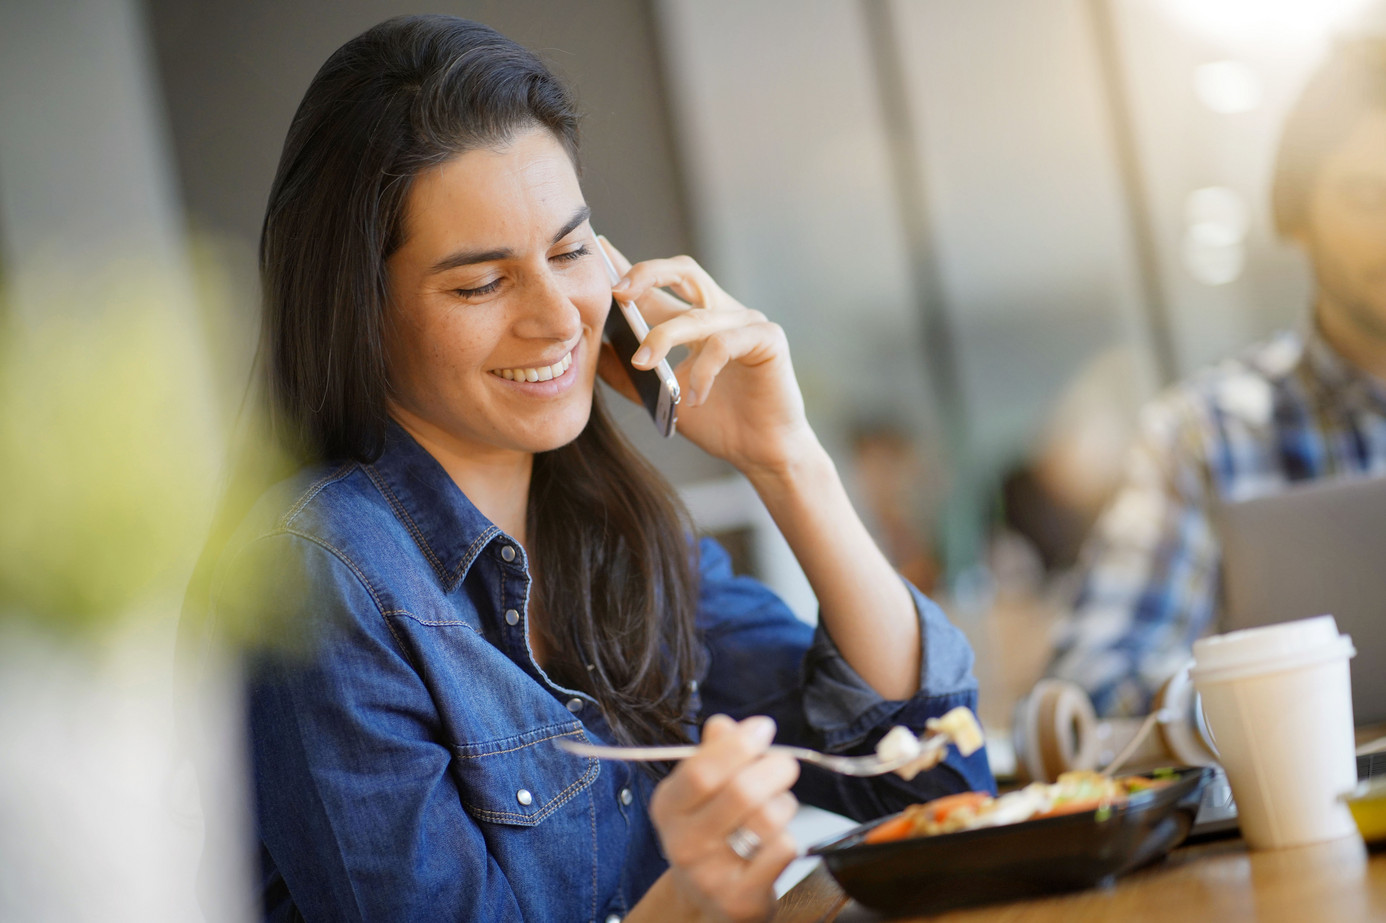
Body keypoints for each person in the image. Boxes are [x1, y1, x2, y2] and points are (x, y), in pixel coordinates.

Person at [191, 15, 992, 923]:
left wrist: (787, 459)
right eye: (480, 283)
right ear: (360, 313)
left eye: (570, 250)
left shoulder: (620, 534)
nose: (557, 316)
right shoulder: (319, 574)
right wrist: (688, 900)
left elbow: (931, 782)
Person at [1047, 38, 1386, 717]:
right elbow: (1095, 685)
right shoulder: (1205, 433)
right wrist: (1262, 695)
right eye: (1365, 195)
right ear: (1297, 216)